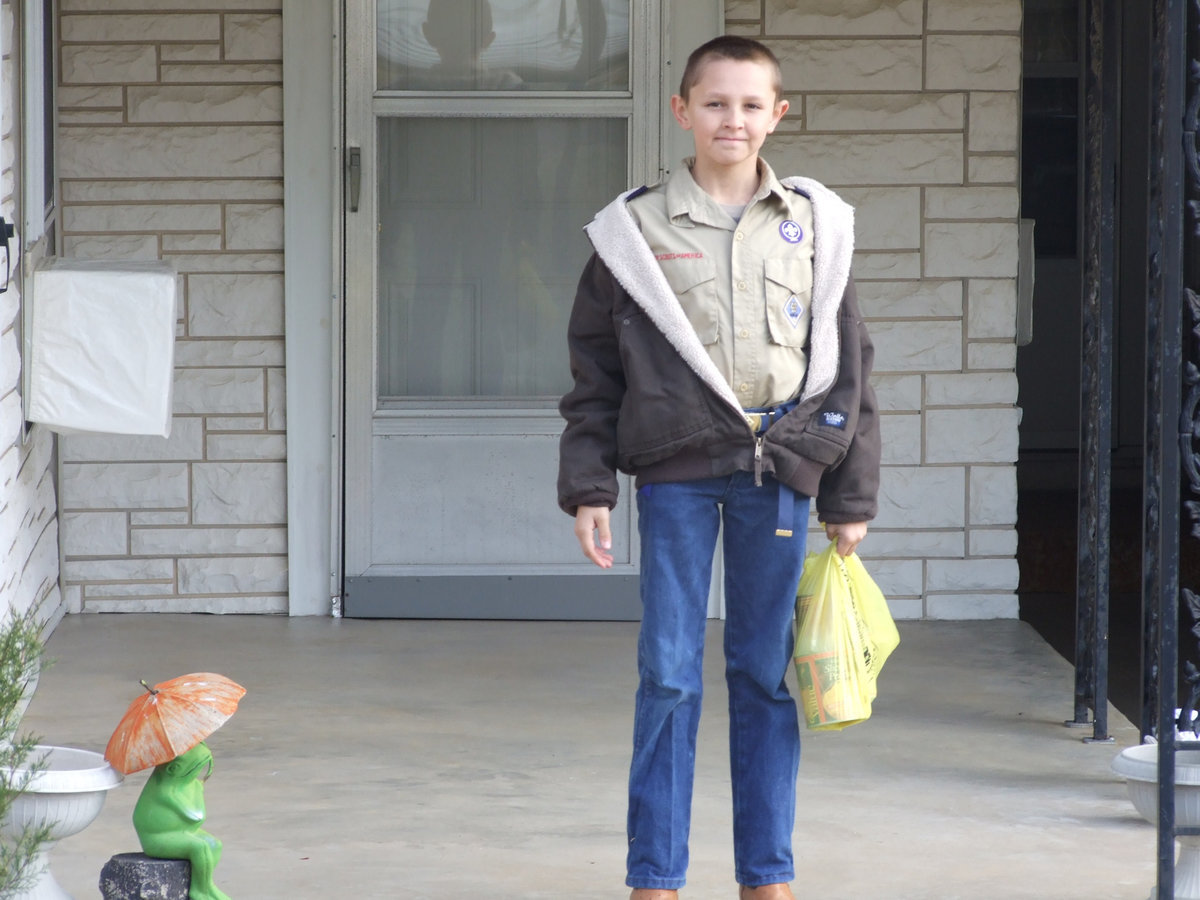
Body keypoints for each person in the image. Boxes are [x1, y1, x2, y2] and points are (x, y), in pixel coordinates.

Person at [556, 35, 880, 900]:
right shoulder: (632, 230)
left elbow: (849, 368)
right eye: (713, 103)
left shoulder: (817, 226)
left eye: (749, 104)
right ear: (682, 111)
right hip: (675, 478)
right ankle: (655, 876)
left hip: (780, 479)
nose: (730, 120)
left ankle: (765, 875)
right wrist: (590, 486)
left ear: (777, 113)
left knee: (765, 674)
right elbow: (595, 370)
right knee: (667, 671)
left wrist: (849, 496)